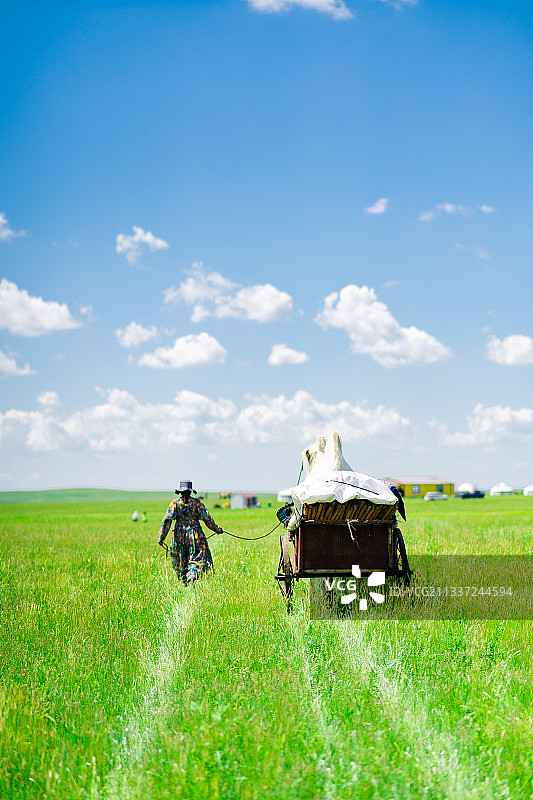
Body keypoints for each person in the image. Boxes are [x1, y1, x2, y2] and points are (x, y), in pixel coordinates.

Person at [158, 479, 223, 585]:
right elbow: (207, 519)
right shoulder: (196, 503)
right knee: (197, 558)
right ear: (190, 491)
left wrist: (161, 538)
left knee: (180, 558)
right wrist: (217, 529)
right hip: (195, 534)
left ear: (180, 492)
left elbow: (167, 521)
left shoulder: (175, 503)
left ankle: (184, 580)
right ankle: (192, 576)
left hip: (179, 535)